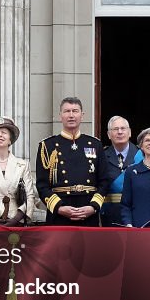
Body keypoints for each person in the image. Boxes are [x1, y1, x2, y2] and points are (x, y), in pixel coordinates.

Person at [35, 97, 106, 226]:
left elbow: (104, 181)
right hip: (59, 212)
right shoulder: (48, 146)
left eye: (75, 111)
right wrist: (59, 207)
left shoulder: (95, 144)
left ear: (82, 115)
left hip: (88, 211)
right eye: (67, 111)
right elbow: (42, 185)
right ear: (60, 116)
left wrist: (93, 206)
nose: (71, 115)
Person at [99, 115, 141, 227]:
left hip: (136, 212)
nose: (120, 132)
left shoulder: (142, 155)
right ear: (109, 135)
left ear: (130, 132)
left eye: (123, 128)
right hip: (110, 215)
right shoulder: (101, 156)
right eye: (115, 129)